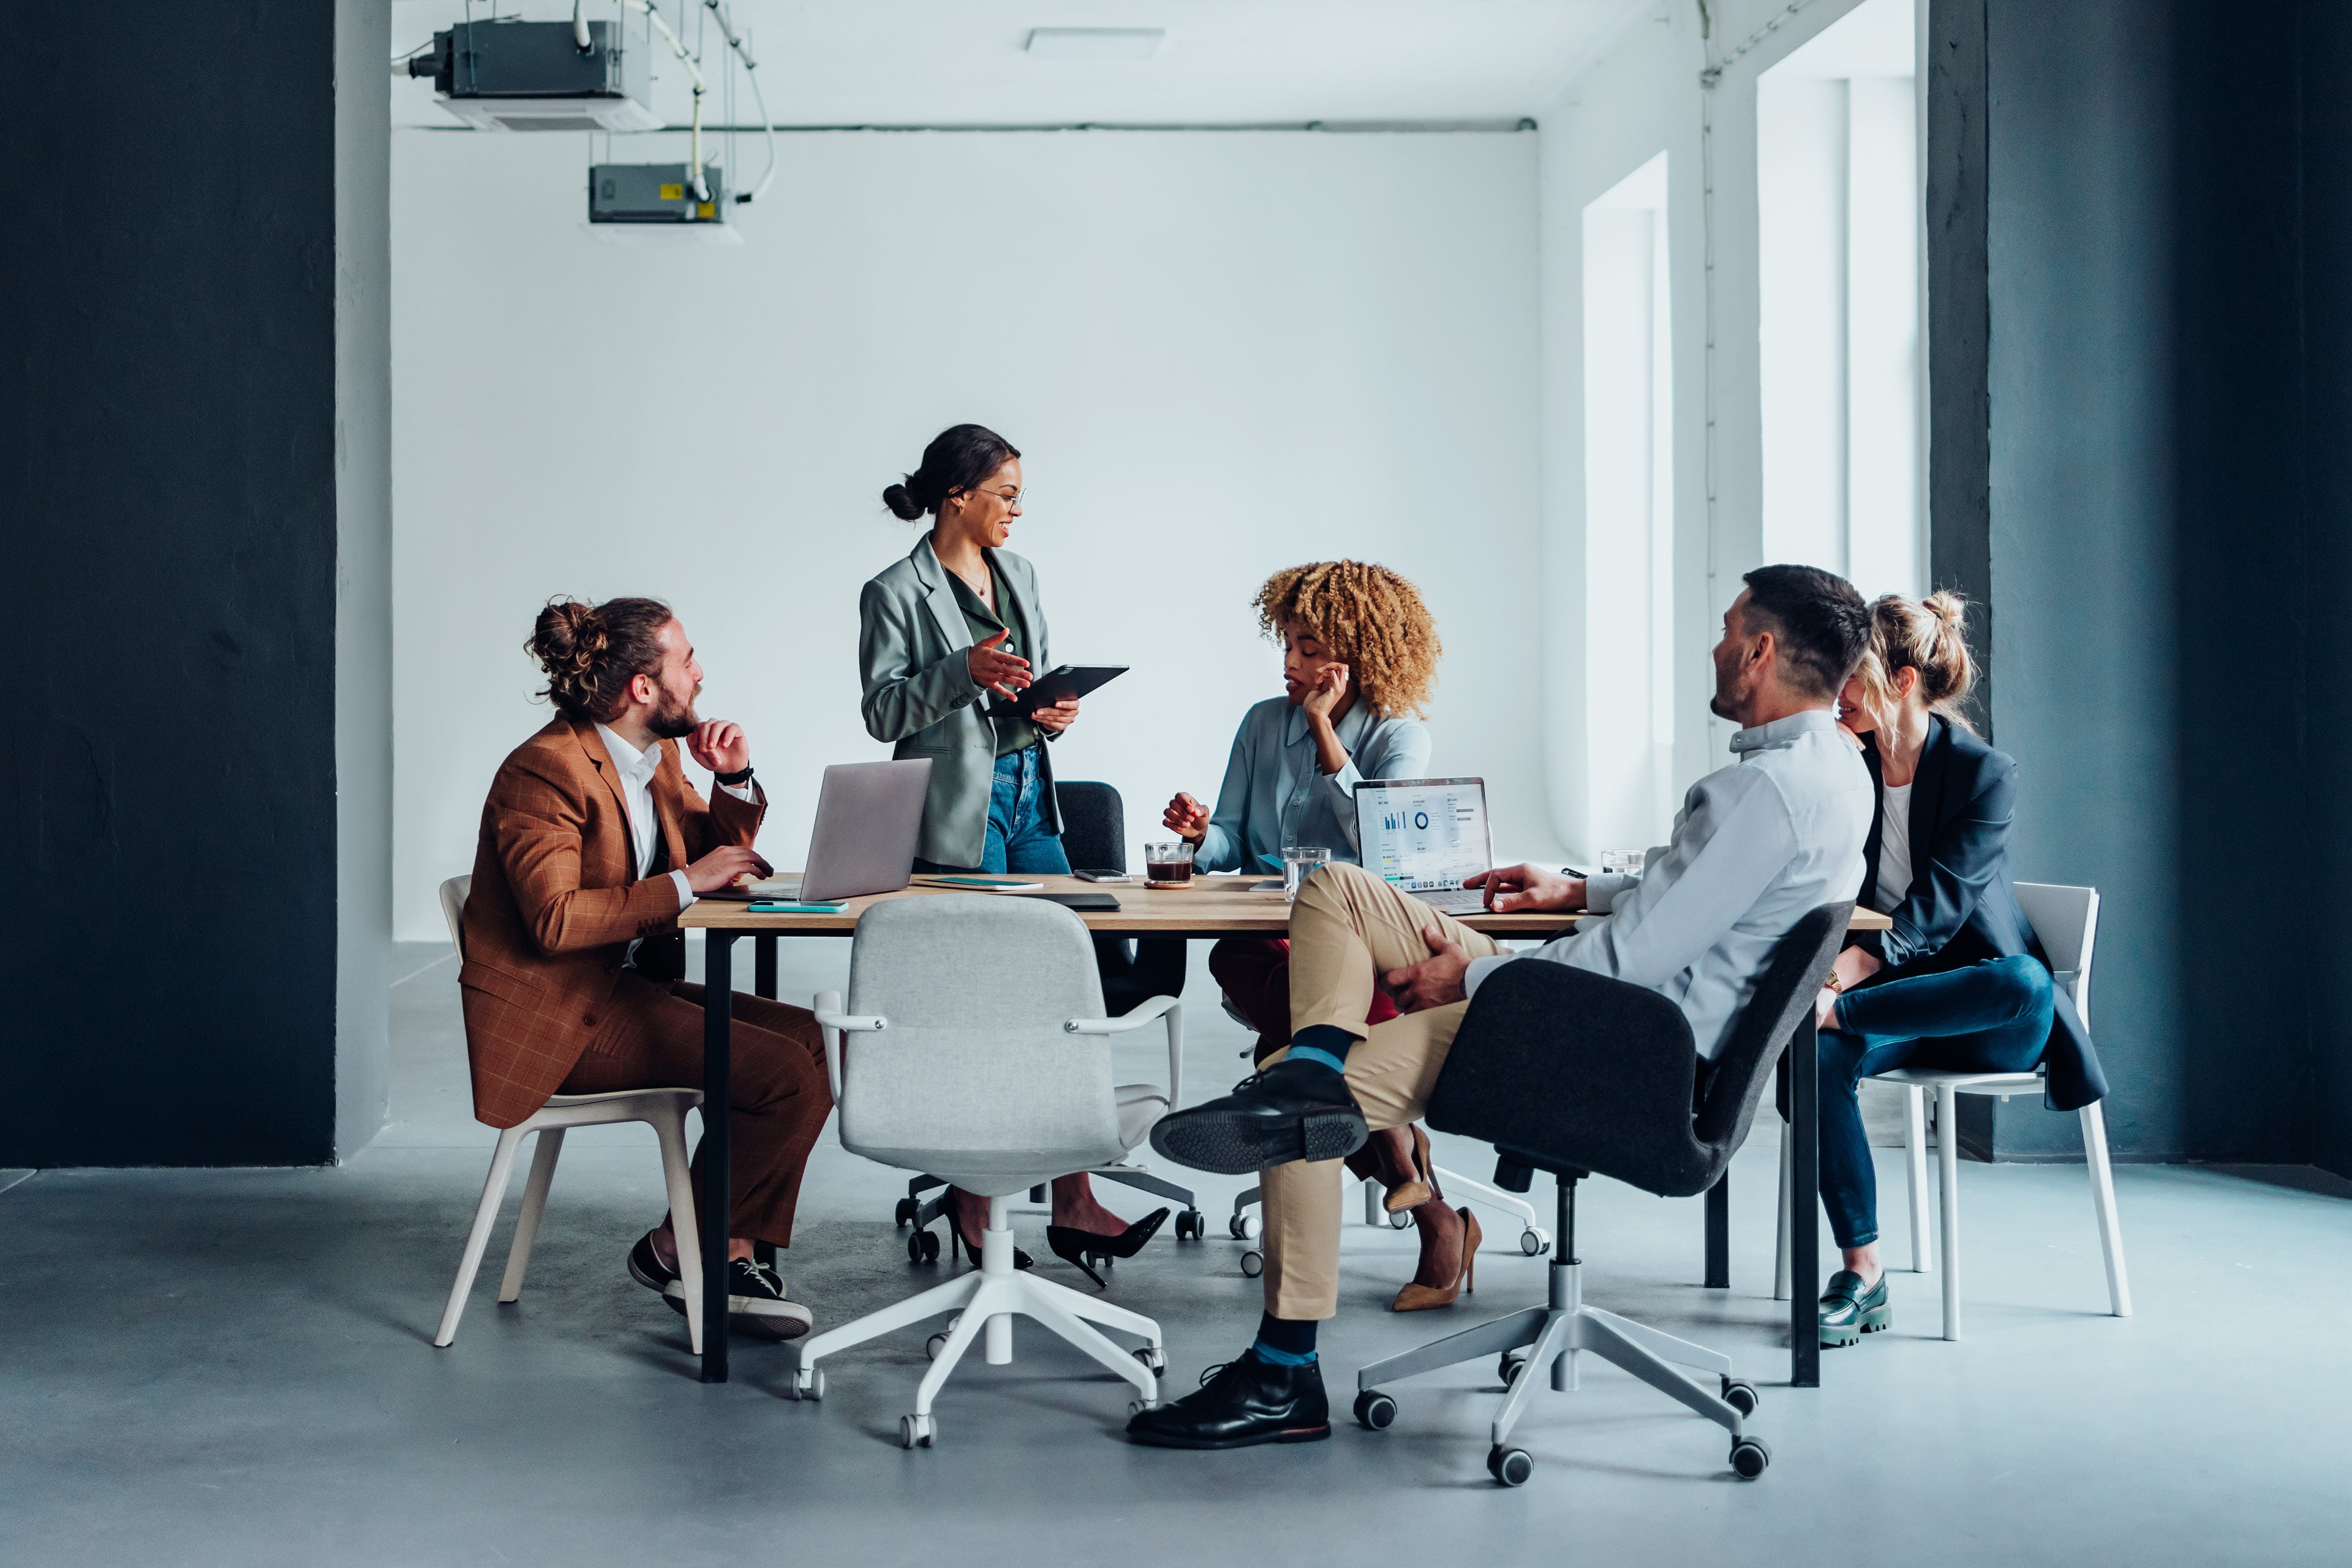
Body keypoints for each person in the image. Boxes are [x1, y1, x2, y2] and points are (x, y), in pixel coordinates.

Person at [1130, 564, 1875, 1449]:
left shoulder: (1758, 793)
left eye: (1727, 629)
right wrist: (1579, 887)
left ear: (1759, 652)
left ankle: (1284, 1372)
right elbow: (1697, 899)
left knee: (1290, 1117)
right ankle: (1315, 1063)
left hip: (1608, 1042)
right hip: (1613, 1018)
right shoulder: (1831, 770)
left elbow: (1628, 964)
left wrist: (1471, 981)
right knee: (1338, 891)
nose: (1715, 646)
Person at [461, 596, 830, 1338]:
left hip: (623, 987)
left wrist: (733, 778)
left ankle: (690, 1246)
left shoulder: (651, 757)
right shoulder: (546, 771)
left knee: (819, 1042)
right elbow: (555, 919)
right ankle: (705, 1255)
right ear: (642, 687)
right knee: (781, 1074)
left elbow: (703, 846)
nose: (701, 673)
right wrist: (688, 884)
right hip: (561, 1015)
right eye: (686, 660)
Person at [857, 423, 1163, 1275]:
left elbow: (1030, 685)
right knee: (986, 1000)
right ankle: (971, 1197)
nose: (1017, 513)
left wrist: (1053, 709)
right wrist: (963, 672)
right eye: (1006, 496)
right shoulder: (893, 591)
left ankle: (1072, 1198)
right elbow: (882, 713)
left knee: (1064, 984)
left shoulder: (1020, 575)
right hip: (960, 807)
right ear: (959, 497)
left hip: (1033, 797)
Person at [1161, 561, 1469, 1311]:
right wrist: (1204, 835)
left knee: (1295, 1056)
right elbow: (1235, 838)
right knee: (1279, 1004)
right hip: (1264, 936)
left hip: (1356, 937)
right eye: (1288, 645)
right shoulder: (1261, 723)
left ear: (1354, 655)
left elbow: (1381, 847)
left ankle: (1425, 1205)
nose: (1289, 664)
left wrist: (1325, 729)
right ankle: (1412, 1173)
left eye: (1306, 648)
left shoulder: (1400, 737)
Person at [1808, 592, 2109, 1348]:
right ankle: (1863, 1272)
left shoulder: (1984, 775)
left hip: (1986, 1014)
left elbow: (1938, 907)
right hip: (1898, 1008)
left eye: (1851, 674)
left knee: (2025, 982)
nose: (1835, 691)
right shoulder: (1849, 766)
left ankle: (1838, 1016)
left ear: (1902, 682)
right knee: (1813, 1056)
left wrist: (1840, 985)